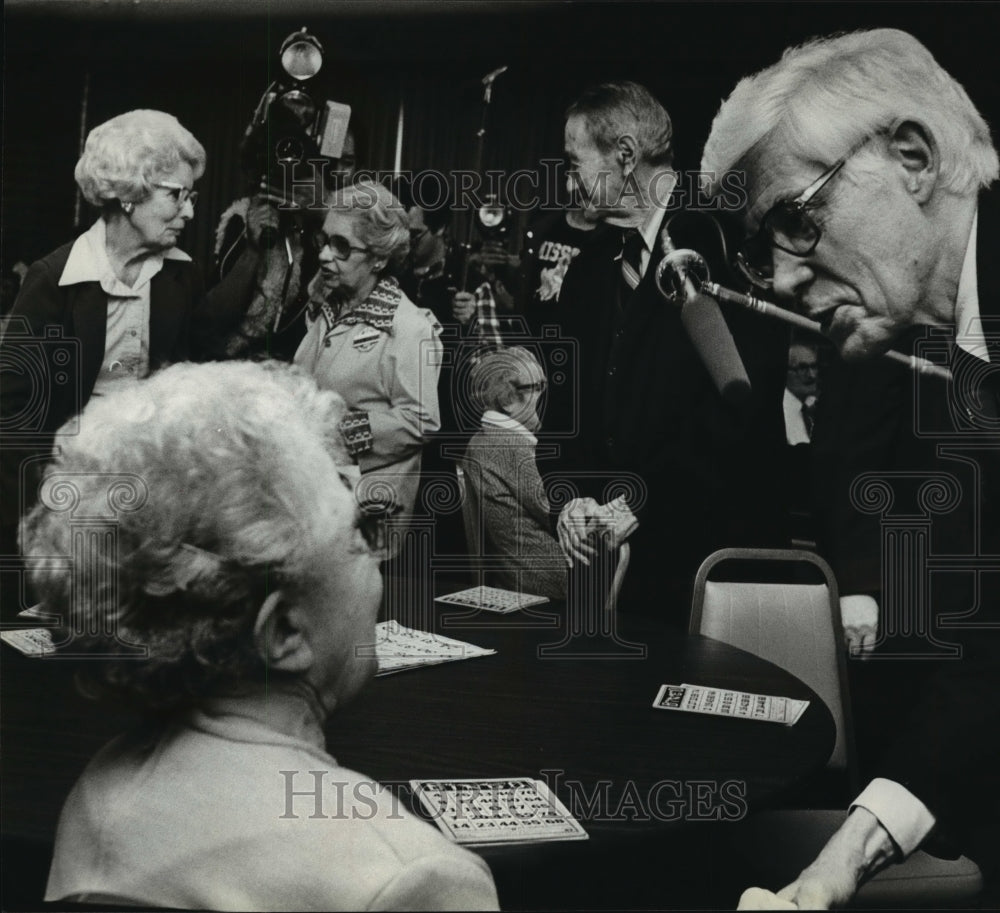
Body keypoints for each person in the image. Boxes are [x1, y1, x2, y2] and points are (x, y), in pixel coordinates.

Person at [699, 28, 1000, 908]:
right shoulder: (950, 359)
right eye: (766, 245)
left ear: (913, 156)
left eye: (798, 219)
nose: (785, 282)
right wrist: (839, 864)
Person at [28, 360, 499, 911]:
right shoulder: (407, 877)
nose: (378, 565)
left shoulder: (96, 797)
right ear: (284, 632)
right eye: (360, 535)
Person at [553, 81, 788, 619]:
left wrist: (641, 500)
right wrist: (567, 499)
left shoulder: (728, 244)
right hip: (610, 572)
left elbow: (739, 407)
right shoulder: (589, 267)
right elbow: (564, 406)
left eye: (574, 163)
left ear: (627, 155)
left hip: (715, 568)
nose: (569, 182)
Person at [0, 109, 205, 610]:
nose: (189, 212)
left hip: (151, 502)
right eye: (176, 195)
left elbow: (196, 385)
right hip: (63, 501)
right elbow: (13, 417)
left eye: (191, 196)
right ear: (129, 195)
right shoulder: (54, 281)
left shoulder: (182, 278)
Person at [294, 180, 443, 521]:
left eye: (341, 246)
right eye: (325, 240)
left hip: (367, 507)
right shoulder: (331, 304)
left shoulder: (409, 327)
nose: (323, 255)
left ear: (377, 259)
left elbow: (421, 421)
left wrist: (340, 431)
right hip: (315, 490)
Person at [203, 127, 359, 362]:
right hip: (242, 365)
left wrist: (324, 213)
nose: (336, 172)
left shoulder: (359, 231)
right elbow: (212, 320)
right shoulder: (246, 216)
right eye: (327, 162)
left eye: (347, 162)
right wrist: (254, 250)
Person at [462, 347, 567, 599]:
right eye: (538, 386)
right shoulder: (507, 446)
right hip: (547, 581)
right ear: (508, 401)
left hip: (531, 577)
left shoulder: (489, 438)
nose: (546, 394)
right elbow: (555, 509)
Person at [783, 340, 819, 446]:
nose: (812, 375)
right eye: (802, 368)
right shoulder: (783, 412)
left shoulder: (811, 408)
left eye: (814, 366)